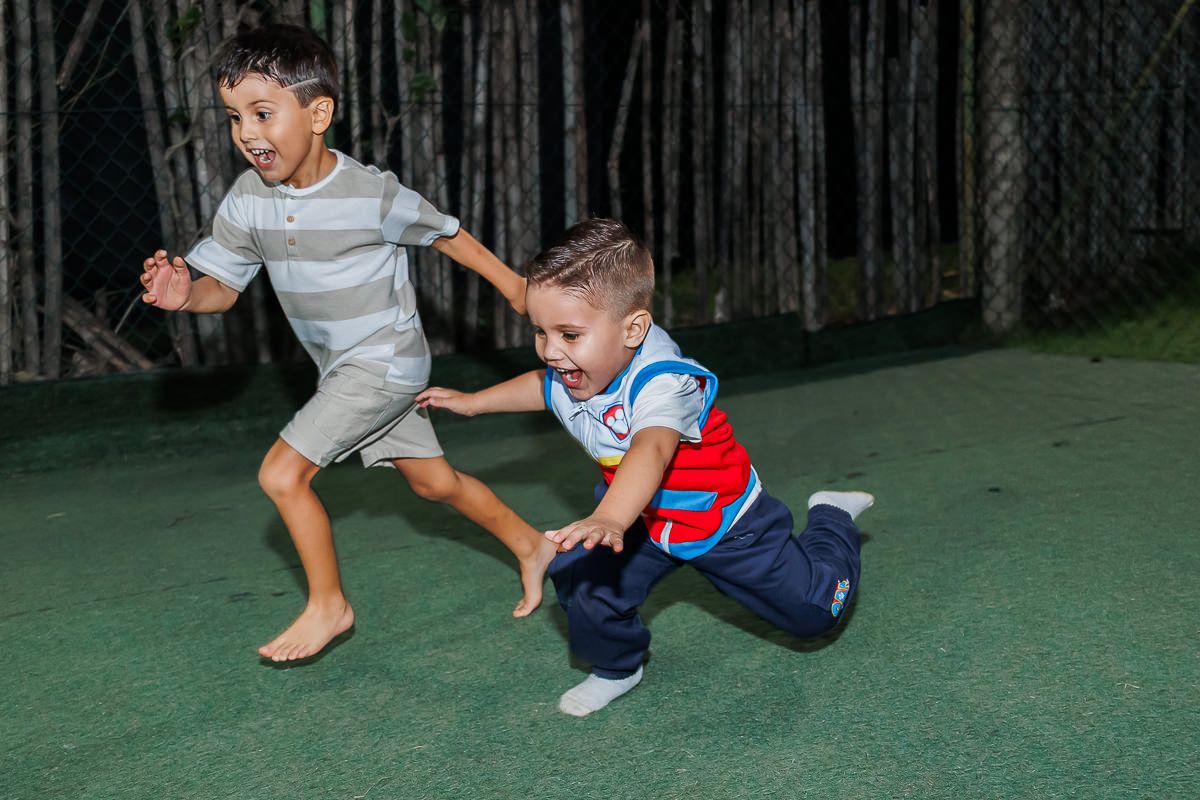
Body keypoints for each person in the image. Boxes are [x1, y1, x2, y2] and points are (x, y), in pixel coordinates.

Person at [139, 24, 555, 663]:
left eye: (262, 112)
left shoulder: (370, 193)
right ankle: (533, 544)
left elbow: (447, 235)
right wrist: (183, 294)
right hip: (341, 370)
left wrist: (513, 287)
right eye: (233, 117)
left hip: (386, 360)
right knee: (435, 486)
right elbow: (221, 287)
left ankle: (329, 604)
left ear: (318, 114)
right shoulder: (249, 199)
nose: (246, 132)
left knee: (282, 474)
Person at [417, 218, 872, 716]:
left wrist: (611, 517)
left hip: (722, 521)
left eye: (568, 334)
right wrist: (472, 403)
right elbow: (540, 387)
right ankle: (618, 667)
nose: (550, 350)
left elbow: (651, 451)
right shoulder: (575, 369)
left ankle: (831, 517)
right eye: (540, 332)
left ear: (633, 328)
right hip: (644, 518)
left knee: (812, 614)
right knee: (581, 580)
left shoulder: (663, 381)